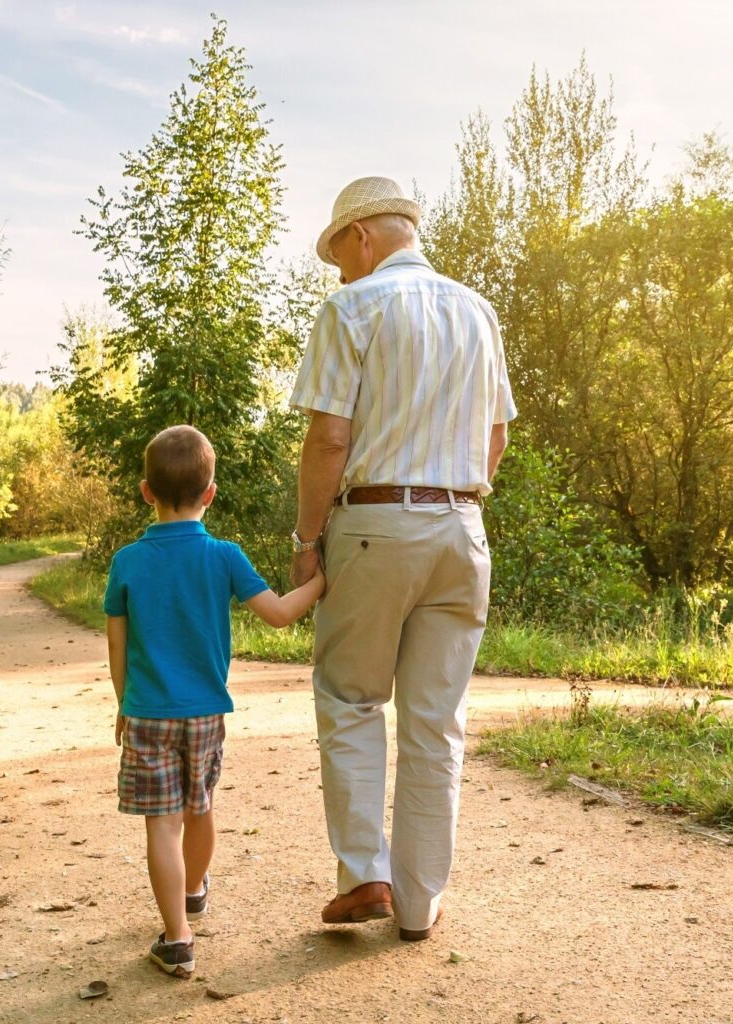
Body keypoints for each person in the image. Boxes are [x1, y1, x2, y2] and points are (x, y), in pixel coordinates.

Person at [287, 175, 515, 942]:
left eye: (339, 255)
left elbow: (328, 438)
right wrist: (455, 496)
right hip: (463, 528)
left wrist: (305, 541)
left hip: (375, 526)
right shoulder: (479, 311)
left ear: (362, 238)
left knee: (352, 698)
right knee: (435, 721)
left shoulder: (353, 306)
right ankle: (419, 904)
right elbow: (497, 439)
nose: (339, 271)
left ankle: (364, 877)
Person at [105, 425, 326, 978]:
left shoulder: (127, 562)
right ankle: (195, 889)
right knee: (199, 805)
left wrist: (123, 704)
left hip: (148, 712)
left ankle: (177, 937)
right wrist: (322, 582)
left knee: (162, 823)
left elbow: (117, 644)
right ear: (211, 493)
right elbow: (278, 614)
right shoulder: (224, 556)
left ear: (145, 491)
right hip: (206, 712)